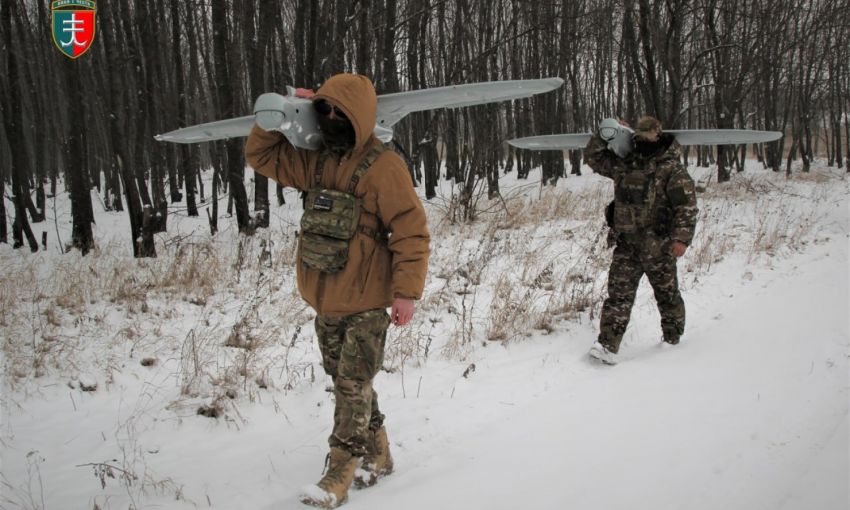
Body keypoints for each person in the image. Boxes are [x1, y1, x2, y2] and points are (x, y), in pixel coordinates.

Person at [244, 73, 430, 508]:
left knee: (351, 383)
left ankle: (338, 475)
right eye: (323, 110)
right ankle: (380, 456)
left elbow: (411, 232)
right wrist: (281, 114)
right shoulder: (317, 162)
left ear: (360, 116)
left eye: (338, 112)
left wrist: (406, 293)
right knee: (351, 382)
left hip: (366, 301)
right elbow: (261, 155)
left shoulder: (384, 167)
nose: (330, 119)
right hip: (326, 299)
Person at [584, 116, 698, 365]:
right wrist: (604, 133)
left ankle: (673, 339)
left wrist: (681, 239)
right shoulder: (626, 163)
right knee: (618, 296)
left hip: (660, 245)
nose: (643, 140)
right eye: (639, 136)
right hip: (628, 244)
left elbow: (686, 206)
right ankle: (607, 345)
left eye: (648, 136)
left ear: (658, 136)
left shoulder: (671, 168)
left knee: (667, 295)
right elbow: (594, 158)